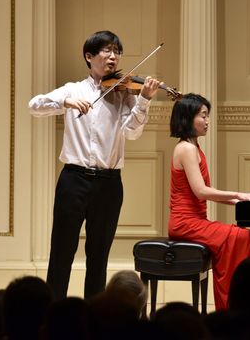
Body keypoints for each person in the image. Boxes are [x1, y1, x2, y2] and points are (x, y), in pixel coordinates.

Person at [28, 30, 161, 300]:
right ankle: (54, 314)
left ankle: (95, 315)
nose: (113, 56)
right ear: (89, 56)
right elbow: (34, 105)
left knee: (98, 255)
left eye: (117, 51)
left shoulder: (124, 93)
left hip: (109, 183)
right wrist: (64, 101)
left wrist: (144, 99)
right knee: (62, 251)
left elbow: (132, 132)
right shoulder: (73, 89)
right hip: (73, 179)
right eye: (106, 50)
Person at [167, 93, 250, 310]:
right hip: (185, 223)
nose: (207, 121)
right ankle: (238, 308)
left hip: (196, 222)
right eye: (203, 116)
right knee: (247, 239)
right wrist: (238, 195)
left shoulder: (194, 147)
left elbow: (203, 193)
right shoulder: (186, 148)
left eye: (207, 115)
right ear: (188, 117)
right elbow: (201, 192)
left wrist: (244, 201)